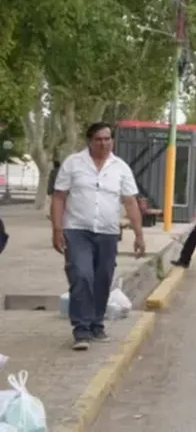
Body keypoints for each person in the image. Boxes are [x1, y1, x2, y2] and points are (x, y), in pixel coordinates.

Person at [51, 122, 145, 351]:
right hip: (77, 230)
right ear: (89, 141)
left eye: (107, 139)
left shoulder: (120, 168)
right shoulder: (73, 163)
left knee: (103, 278)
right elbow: (59, 197)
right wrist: (57, 229)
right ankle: (81, 330)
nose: (103, 144)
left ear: (112, 141)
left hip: (108, 232)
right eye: (98, 139)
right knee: (81, 275)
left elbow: (130, 202)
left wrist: (139, 235)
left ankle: (96, 324)